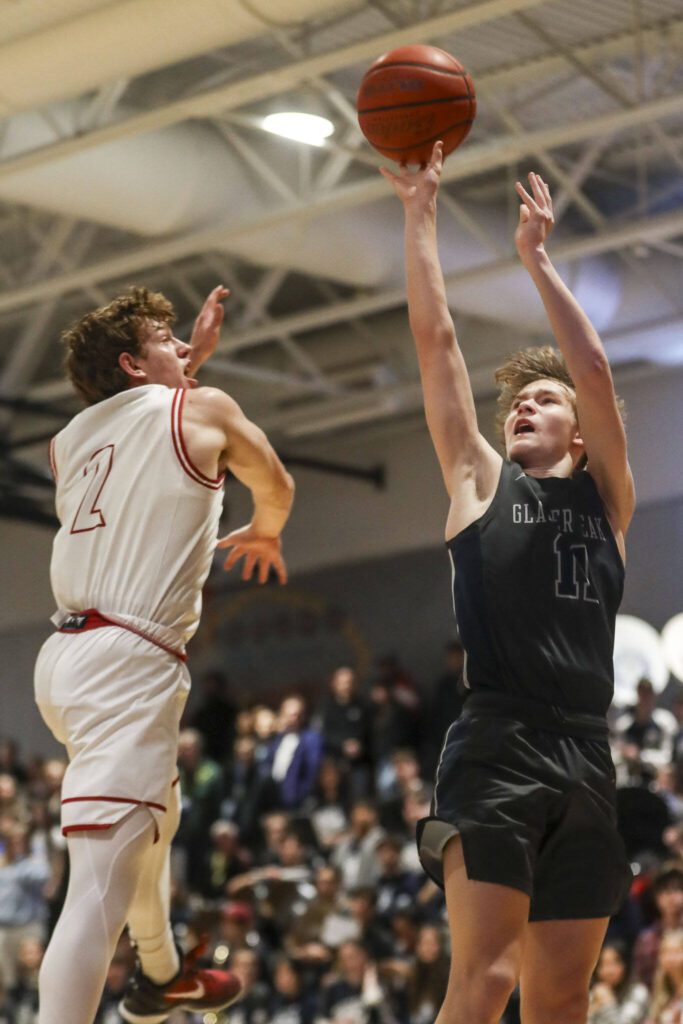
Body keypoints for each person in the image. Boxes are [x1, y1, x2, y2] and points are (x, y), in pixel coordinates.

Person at [382, 144, 634, 1024]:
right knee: (485, 979)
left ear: (578, 431)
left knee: (562, 995)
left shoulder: (608, 499)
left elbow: (595, 371)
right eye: (515, 405)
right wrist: (420, 212)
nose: (523, 406)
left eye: (542, 402)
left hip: (585, 752)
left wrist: (537, 261)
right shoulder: (479, 481)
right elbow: (436, 341)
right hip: (498, 744)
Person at [33, 284, 295, 1023]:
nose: (186, 347)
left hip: (66, 658)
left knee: (159, 815)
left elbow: (144, 416)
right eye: (167, 338)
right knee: (97, 886)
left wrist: (181, 364)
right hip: (128, 657)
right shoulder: (202, 408)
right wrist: (268, 528)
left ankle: (163, 970)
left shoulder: (70, 442)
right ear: (131, 361)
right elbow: (273, 481)